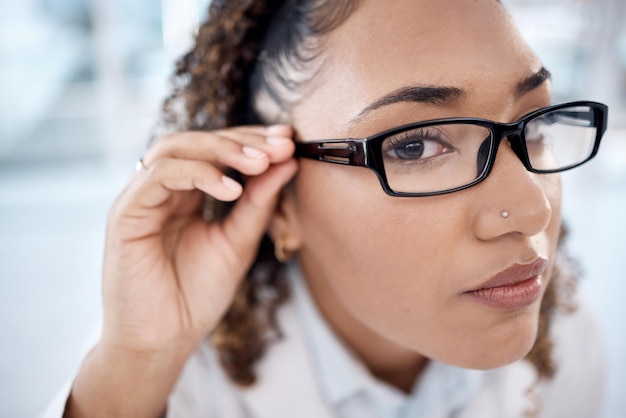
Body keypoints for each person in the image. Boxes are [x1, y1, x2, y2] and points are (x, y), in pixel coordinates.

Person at [43, 0, 608, 417]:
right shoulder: (172, 384)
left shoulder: (568, 332)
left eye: (536, 124)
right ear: (278, 198)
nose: (532, 209)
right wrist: (137, 359)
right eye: (416, 145)